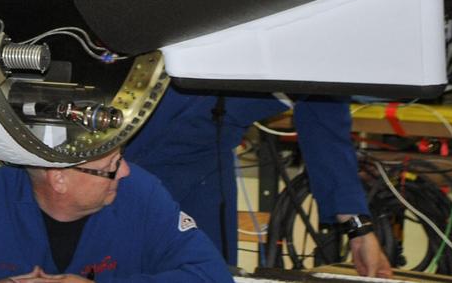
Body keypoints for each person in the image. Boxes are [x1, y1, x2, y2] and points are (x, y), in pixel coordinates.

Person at [0, 148, 235, 282]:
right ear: (59, 179)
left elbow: (211, 276)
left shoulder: (141, 196)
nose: (126, 171)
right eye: (112, 164)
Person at [124, 89, 392, 277]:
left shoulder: (327, 57)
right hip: (129, 154)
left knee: (211, 274)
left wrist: (359, 229)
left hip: (207, 160)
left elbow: (326, 126)